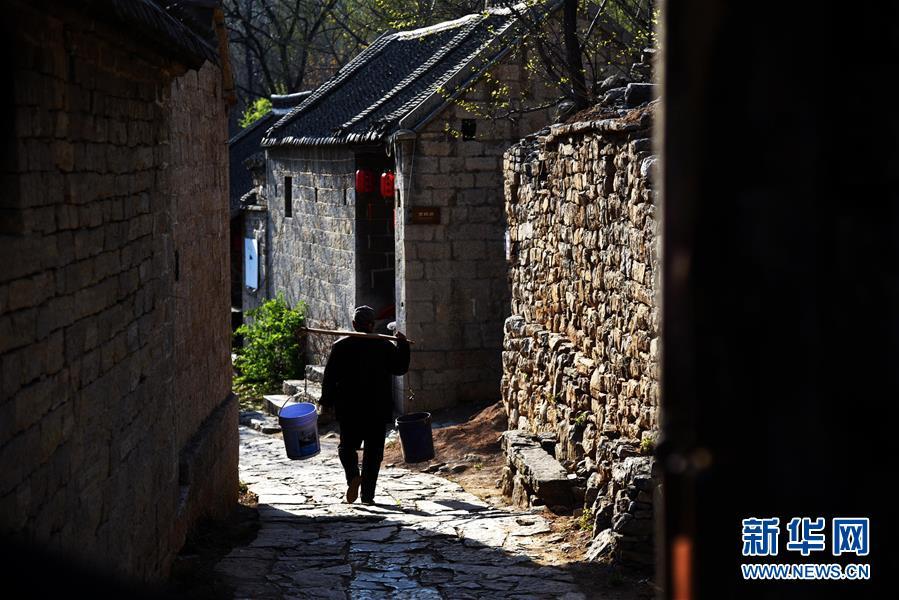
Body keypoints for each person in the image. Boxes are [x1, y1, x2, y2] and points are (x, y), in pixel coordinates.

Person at [320, 305, 410, 504]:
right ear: (372, 324)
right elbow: (400, 368)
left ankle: (353, 476)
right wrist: (403, 346)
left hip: (349, 408)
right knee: (374, 452)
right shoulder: (384, 345)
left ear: (354, 324)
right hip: (377, 408)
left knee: (346, 447)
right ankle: (367, 495)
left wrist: (326, 402)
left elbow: (330, 377)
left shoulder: (341, 346)